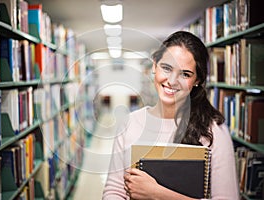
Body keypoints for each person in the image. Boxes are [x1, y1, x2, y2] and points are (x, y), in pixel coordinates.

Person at [102, 31, 239, 200]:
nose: (172, 81)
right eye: (166, 68)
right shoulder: (130, 123)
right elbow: (114, 191)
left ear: (197, 80)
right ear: (154, 66)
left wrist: (156, 193)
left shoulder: (214, 130)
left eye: (185, 74)